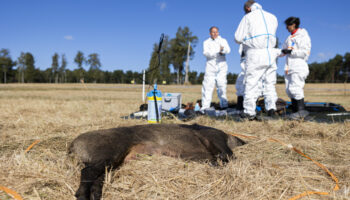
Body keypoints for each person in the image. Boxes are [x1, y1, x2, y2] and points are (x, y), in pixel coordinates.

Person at [234, 0, 281, 119]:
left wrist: (247, 40)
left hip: (255, 53)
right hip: (270, 53)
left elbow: (238, 37)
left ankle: (249, 111)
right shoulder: (273, 17)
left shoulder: (248, 17)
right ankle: (271, 109)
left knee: (251, 82)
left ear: (248, 8)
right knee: (269, 83)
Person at [281, 17, 311, 119]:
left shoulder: (303, 36)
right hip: (289, 68)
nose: (286, 27)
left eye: (288, 25)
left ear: (294, 25)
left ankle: (301, 112)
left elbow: (305, 52)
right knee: (289, 90)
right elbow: (282, 50)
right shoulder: (288, 38)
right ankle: (295, 113)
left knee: (296, 88)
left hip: (298, 66)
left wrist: (291, 52)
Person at [201, 26, 231, 111]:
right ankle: (205, 106)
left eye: (216, 32)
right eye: (213, 32)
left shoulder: (223, 40)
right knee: (208, 86)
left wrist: (222, 51)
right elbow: (206, 53)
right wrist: (218, 50)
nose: (215, 34)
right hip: (210, 66)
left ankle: (224, 105)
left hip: (222, 66)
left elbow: (228, 50)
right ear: (210, 33)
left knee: (222, 85)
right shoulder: (206, 42)